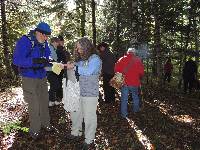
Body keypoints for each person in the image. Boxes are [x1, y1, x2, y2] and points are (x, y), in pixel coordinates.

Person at [12, 22, 53, 139]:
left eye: (47, 36)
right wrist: (34, 61)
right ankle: (35, 130)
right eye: (44, 35)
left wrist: (48, 60)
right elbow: (17, 60)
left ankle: (46, 124)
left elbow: (47, 56)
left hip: (42, 77)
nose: (46, 38)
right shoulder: (25, 41)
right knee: (34, 105)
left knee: (44, 102)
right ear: (38, 32)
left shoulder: (44, 43)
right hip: (29, 78)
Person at [64, 37, 102, 149]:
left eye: (81, 48)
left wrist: (74, 67)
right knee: (76, 113)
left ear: (87, 47)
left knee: (89, 117)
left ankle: (89, 139)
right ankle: (76, 132)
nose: (79, 50)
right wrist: (72, 64)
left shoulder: (95, 59)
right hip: (78, 91)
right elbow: (79, 66)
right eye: (77, 48)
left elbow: (89, 71)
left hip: (90, 93)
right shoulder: (82, 60)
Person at [114, 48, 144, 118]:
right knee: (135, 97)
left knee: (124, 98)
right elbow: (141, 72)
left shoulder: (121, 59)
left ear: (127, 52)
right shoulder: (138, 60)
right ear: (134, 53)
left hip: (124, 82)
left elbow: (116, 70)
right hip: (135, 82)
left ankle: (124, 114)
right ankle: (136, 110)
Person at [46, 37, 60, 106]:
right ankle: (50, 100)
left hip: (53, 69)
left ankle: (52, 100)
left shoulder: (53, 49)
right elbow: (48, 59)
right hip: (49, 70)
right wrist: (55, 62)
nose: (58, 44)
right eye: (57, 42)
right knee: (55, 85)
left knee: (53, 85)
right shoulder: (49, 48)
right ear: (53, 42)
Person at [56, 35, 71, 101]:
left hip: (65, 68)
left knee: (65, 82)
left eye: (62, 41)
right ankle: (59, 96)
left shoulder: (63, 49)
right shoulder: (57, 49)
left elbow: (67, 57)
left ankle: (63, 95)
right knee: (59, 82)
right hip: (59, 68)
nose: (61, 42)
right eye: (60, 41)